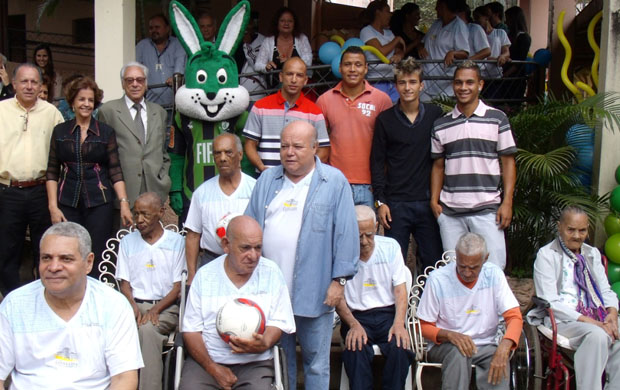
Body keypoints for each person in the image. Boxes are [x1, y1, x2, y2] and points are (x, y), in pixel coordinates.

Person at [245, 120, 359, 389]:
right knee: (280, 361)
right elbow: (249, 227)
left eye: (297, 146)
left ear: (315, 147)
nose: (289, 152)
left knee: (317, 364)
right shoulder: (266, 179)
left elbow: (346, 233)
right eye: (284, 146)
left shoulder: (333, 181)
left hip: (316, 290)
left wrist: (338, 282)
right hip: (271, 293)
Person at [0, 222, 143, 389]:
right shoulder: (15, 305)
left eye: (66, 259)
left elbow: (124, 379)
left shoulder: (113, 306)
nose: (53, 267)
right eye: (46, 258)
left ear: (88, 263)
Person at [179, 216, 295, 390]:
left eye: (258, 248)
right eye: (245, 248)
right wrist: (213, 368)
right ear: (226, 245)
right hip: (208, 361)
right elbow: (191, 331)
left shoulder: (271, 273)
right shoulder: (205, 276)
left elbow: (279, 322)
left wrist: (263, 343)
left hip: (255, 363)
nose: (253, 255)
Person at [430, 61, 516, 269]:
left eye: (470, 82)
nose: (463, 87)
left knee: (493, 269)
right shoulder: (441, 124)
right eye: (458, 82)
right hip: (450, 212)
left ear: (480, 84)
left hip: (487, 209)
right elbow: (438, 166)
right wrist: (434, 201)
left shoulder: (497, 119)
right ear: (453, 85)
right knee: (454, 271)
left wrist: (507, 202)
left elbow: (508, 162)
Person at [46, 76, 133, 279]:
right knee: (68, 249)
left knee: (98, 251)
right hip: (67, 201)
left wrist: (124, 203)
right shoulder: (60, 131)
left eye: (90, 100)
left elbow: (115, 170)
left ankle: (94, 294)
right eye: (82, 99)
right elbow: (51, 170)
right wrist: (52, 206)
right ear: (73, 102)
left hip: (99, 202)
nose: (86, 104)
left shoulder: (106, 132)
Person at [529, 206, 620, 390]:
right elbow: (550, 301)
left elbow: (605, 290)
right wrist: (590, 322)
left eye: (582, 230)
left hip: (597, 315)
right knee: (597, 335)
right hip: (564, 319)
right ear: (559, 227)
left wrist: (612, 313)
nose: (577, 236)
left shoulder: (592, 254)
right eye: (571, 229)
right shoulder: (547, 255)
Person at [417, 233, 523, 390]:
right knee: (459, 353)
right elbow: (424, 326)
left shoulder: (494, 275)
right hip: (446, 346)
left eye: (473, 268)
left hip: (485, 344)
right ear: (457, 257)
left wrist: (505, 346)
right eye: (462, 266)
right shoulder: (438, 279)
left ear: (485, 259)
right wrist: (449, 335)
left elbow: (514, 317)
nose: (467, 273)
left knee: (499, 356)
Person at [371, 58, 444, 269]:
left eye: (412, 82)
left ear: (421, 85)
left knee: (433, 262)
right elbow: (377, 163)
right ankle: (400, 303)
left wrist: (439, 198)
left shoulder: (435, 115)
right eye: (402, 82)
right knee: (395, 265)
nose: (407, 87)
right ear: (396, 86)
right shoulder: (385, 120)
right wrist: (380, 202)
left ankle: (427, 303)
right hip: (396, 203)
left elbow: (442, 160)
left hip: (427, 201)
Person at [0, 63, 63, 294]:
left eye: (34, 82)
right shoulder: (1, 110)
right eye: (24, 81)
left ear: (41, 85)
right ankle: (10, 300)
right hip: (8, 192)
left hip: (41, 191)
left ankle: (43, 297)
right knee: (8, 250)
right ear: (13, 84)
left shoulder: (51, 113)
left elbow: (60, 155)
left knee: (43, 248)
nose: (29, 86)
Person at [337, 205, 413, 389]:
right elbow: (337, 296)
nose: (364, 242)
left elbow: (400, 290)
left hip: (388, 314)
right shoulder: (340, 251)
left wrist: (399, 323)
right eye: (358, 236)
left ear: (377, 227)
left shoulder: (390, 247)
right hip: (356, 316)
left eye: (369, 235)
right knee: (355, 349)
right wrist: (353, 324)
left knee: (401, 348)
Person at [116, 192, 186, 390]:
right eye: (136, 214)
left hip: (166, 308)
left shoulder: (176, 242)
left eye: (145, 214)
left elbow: (177, 287)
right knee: (114, 328)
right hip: (134, 305)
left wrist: (155, 310)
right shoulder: (128, 242)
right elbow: (125, 284)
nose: (139, 220)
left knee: (147, 330)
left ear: (161, 212)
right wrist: (132, 306)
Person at [316, 46, 392, 208]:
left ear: (366, 68)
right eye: (348, 64)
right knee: (336, 233)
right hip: (335, 182)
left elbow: (390, 145)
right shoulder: (325, 100)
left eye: (358, 64)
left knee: (366, 233)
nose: (352, 69)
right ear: (340, 68)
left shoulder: (382, 100)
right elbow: (316, 143)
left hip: (370, 185)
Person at [98, 62, 171, 216]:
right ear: (123, 84)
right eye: (129, 80)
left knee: (152, 237)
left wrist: (163, 178)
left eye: (140, 80)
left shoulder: (159, 112)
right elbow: (103, 154)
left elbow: (163, 151)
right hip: (124, 191)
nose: (135, 84)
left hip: (154, 188)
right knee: (123, 238)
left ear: (146, 83)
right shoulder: (108, 111)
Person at [185, 133, 256, 284]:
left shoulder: (255, 189)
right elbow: (192, 235)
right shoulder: (202, 193)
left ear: (240, 154)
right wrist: (192, 275)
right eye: (217, 153)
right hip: (211, 262)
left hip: (248, 264)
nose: (222, 158)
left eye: (228, 152)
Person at [242, 57, 329, 173]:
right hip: (266, 178)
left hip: (301, 183)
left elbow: (323, 149)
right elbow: (249, 144)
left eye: (299, 75)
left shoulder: (314, 112)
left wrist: (306, 173)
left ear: (305, 80)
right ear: (281, 77)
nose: (294, 80)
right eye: (289, 74)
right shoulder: (260, 107)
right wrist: (262, 168)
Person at [136, 13, 187, 123]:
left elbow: (180, 68)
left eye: (157, 27)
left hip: (174, 106)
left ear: (167, 28)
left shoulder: (178, 44)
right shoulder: (141, 46)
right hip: (149, 107)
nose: (154, 30)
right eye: (151, 28)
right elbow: (135, 71)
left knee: (171, 137)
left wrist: (175, 77)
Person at [419, 0, 470, 101]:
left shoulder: (459, 26)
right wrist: (420, 48)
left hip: (445, 82)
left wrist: (453, 53)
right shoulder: (436, 24)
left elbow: (465, 53)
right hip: (427, 79)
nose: (435, 9)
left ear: (444, 7)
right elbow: (423, 41)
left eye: (437, 6)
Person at [254, 6, 312, 88]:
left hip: (299, 88)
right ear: (277, 23)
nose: (286, 24)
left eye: (290, 21)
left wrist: (289, 61)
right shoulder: (268, 41)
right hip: (275, 89)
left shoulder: (302, 39)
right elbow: (257, 65)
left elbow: (308, 61)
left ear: (294, 24)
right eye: (282, 21)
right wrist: (266, 67)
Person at [360, 0, 405, 102]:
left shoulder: (389, 33)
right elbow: (381, 52)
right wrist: (397, 39)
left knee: (396, 110)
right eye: (387, 11)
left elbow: (401, 49)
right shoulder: (367, 31)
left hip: (392, 80)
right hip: (375, 81)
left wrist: (399, 55)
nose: (390, 15)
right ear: (378, 12)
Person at [473, 5, 511, 99]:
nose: (476, 21)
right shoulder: (474, 34)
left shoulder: (500, 33)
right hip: (479, 74)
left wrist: (502, 56)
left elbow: (506, 52)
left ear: (486, 17)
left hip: (495, 75)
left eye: (478, 18)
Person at [235, 12, 267, 102]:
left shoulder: (263, 40)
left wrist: (247, 45)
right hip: (238, 92)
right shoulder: (235, 42)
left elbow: (257, 65)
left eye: (249, 24)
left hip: (258, 92)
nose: (246, 28)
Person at [501, 6, 531, 102]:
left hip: (515, 78)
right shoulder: (508, 36)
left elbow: (520, 60)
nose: (506, 22)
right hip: (506, 76)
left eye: (508, 19)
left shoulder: (524, 38)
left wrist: (505, 75)